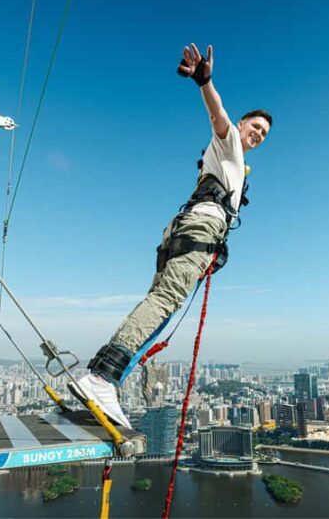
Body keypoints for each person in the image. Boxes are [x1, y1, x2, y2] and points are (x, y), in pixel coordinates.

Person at [75, 44, 272, 427]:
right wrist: (206, 82)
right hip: (199, 229)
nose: (259, 135)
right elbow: (219, 117)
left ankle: (105, 380)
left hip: (185, 231)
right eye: (256, 128)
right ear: (243, 124)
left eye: (264, 134)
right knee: (165, 302)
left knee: (160, 308)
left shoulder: (234, 165)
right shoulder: (230, 142)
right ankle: (100, 378)